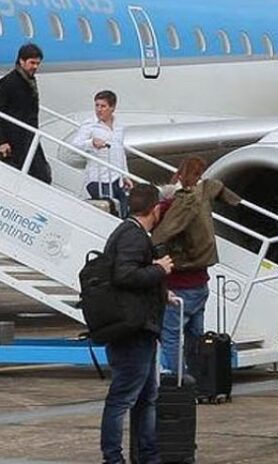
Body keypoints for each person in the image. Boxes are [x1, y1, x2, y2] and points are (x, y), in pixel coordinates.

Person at [99, 183, 173, 464]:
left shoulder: (127, 232)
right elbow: (125, 275)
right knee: (124, 396)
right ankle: (114, 457)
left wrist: (163, 292)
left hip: (137, 324)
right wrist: (159, 269)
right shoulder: (133, 235)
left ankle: (147, 454)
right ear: (155, 209)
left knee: (145, 396)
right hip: (133, 328)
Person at [151, 155, 241, 376]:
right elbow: (219, 189)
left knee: (171, 335)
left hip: (178, 284)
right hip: (201, 283)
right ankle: (199, 377)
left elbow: (160, 236)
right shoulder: (203, 198)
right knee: (195, 334)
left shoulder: (173, 205)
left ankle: (177, 379)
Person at [0, 43, 51, 183]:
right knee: (11, 177)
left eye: (38, 63)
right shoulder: (8, 82)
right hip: (12, 139)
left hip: (28, 136)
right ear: (21, 61)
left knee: (42, 175)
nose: (35, 67)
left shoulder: (29, 80)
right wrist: (1, 141)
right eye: (32, 63)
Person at [71, 90, 132, 217]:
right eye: (97, 105)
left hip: (116, 179)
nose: (99, 110)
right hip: (98, 179)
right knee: (110, 211)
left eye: (103, 106)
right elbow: (75, 144)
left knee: (125, 212)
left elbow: (120, 152)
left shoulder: (119, 126)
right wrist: (91, 143)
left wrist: (125, 175)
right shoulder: (90, 125)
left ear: (112, 108)